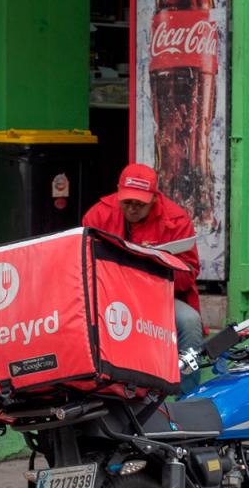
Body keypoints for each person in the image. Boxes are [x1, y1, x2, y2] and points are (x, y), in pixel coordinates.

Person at [82, 162, 204, 387]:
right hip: (110, 295)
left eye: (140, 204)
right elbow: (81, 264)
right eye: (127, 202)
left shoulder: (175, 220)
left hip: (158, 297)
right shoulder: (98, 215)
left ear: (155, 198)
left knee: (189, 321)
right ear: (118, 193)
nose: (132, 209)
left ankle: (188, 398)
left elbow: (188, 275)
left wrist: (154, 266)